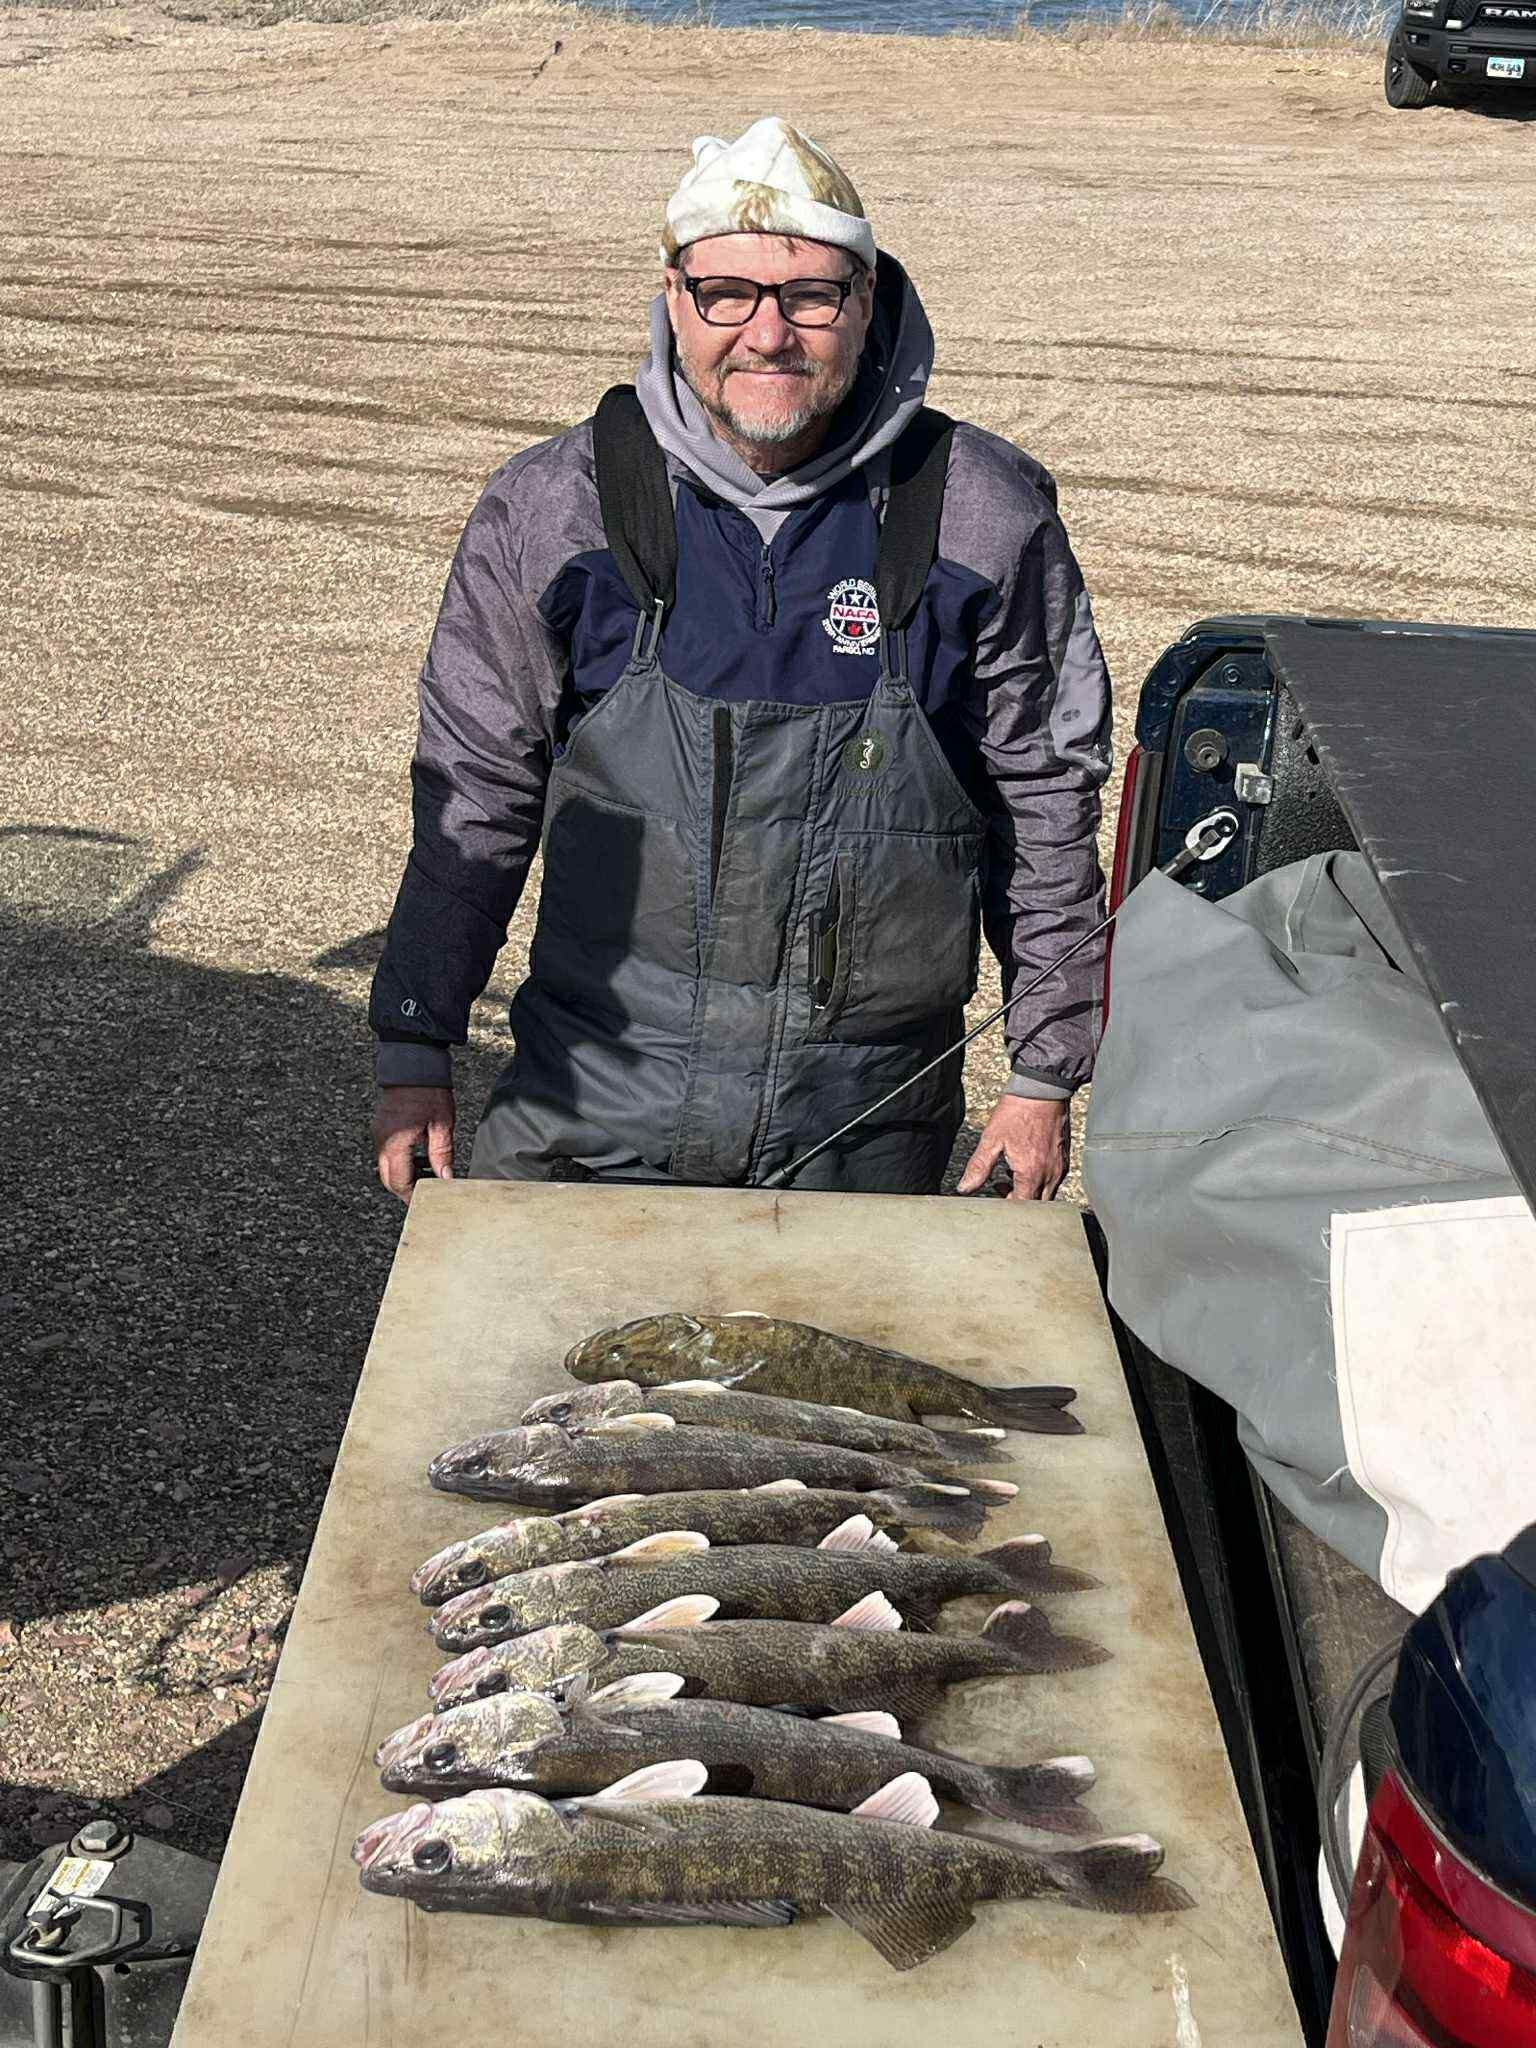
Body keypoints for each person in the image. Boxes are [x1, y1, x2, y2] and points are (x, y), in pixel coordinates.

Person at [371, 117, 1112, 1203]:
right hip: (587, 1114)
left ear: (866, 301)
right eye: (727, 292)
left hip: (861, 1132)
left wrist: (1043, 1077)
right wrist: (415, 1036)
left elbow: (1046, 808)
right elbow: (473, 797)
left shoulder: (983, 517)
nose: (768, 333)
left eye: (810, 294)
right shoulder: (551, 508)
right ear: (676, 298)